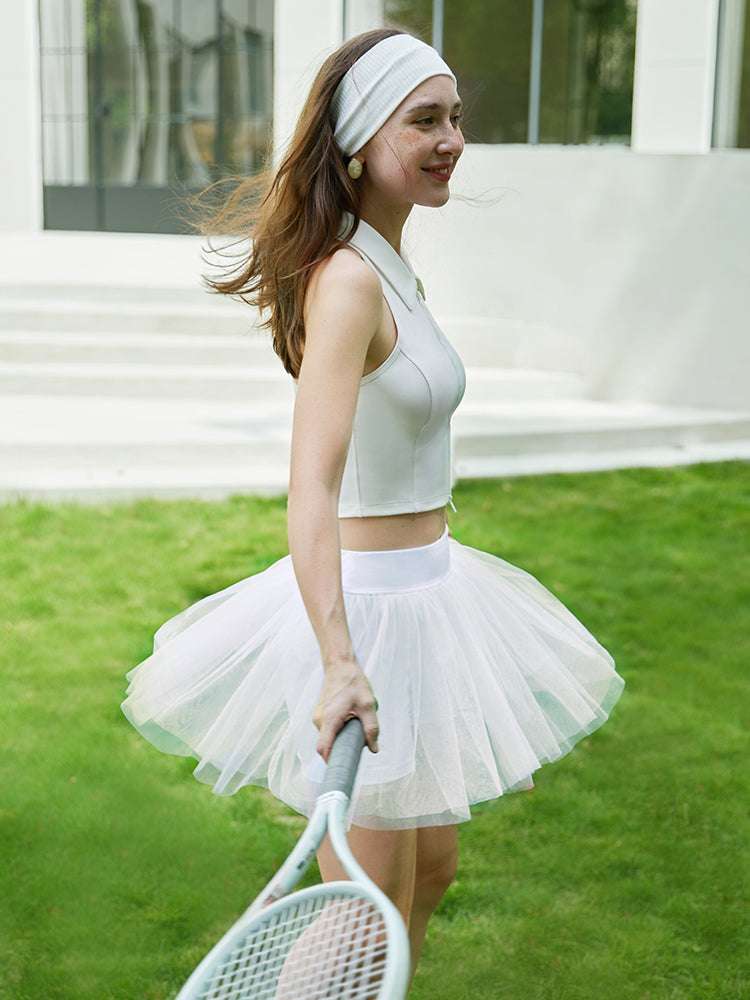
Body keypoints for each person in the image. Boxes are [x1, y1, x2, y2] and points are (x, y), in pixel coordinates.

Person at [120, 28, 626, 990]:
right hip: (375, 609)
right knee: (364, 902)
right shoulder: (348, 281)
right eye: (423, 120)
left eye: (455, 118)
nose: (452, 139)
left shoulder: (393, 264)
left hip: (435, 589)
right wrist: (341, 661)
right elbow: (310, 487)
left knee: (428, 873)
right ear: (358, 142)